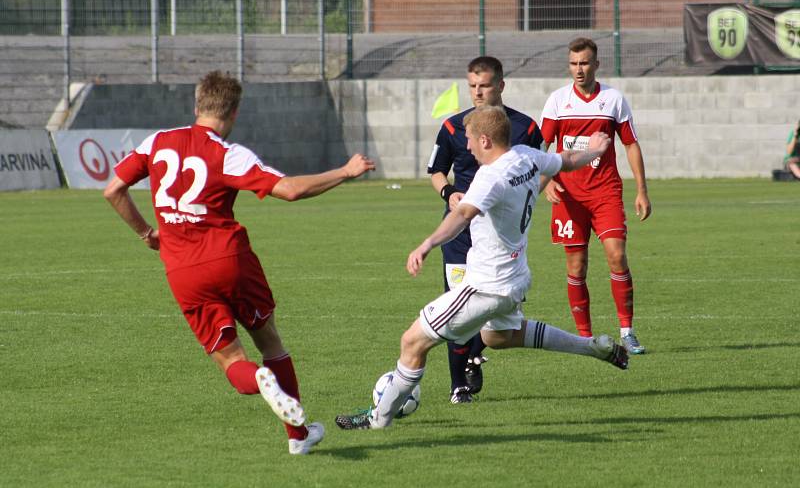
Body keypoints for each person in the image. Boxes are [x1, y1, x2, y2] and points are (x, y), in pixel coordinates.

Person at [103, 70, 374, 455]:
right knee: (270, 341)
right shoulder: (228, 153)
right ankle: (297, 437)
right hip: (231, 261)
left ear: (197, 105)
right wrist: (345, 171)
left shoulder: (157, 142)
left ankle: (260, 381)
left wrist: (148, 234)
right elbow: (291, 190)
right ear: (234, 111)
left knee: (233, 361)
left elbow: (113, 189)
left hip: (182, 271)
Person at [335, 106, 628, 431]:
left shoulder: (491, 176)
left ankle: (378, 420)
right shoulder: (527, 156)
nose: (469, 147)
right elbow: (566, 161)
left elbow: (461, 216)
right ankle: (591, 347)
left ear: (486, 140)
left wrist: (427, 244)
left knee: (412, 341)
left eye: (471, 140)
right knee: (498, 336)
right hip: (514, 280)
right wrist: (594, 151)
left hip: (484, 287)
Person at [428, 56, 543, 404]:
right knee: (458, 307)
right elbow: (435, 172)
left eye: (485, 85)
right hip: (461, 236)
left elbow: (540, 168)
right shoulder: (453, 128)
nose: (478, 92)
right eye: (473, 86)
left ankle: (475, 354)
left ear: (501, 86)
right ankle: (458, 386)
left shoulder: (525, 128)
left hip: (503, 239)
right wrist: (448, 193)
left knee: (496, 309)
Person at [539, 37, 651, 355]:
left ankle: (627, 331)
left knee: (617, 255)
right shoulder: (558, 101)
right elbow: (541, 147)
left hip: (605, 193)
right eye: (574, 63)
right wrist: (546, 182)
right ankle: (584, 338)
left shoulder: (613, 99)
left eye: (585, 63)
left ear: (596, 64)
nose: (579, 69)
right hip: (569, 197)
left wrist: (642, 190)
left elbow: (630, 144)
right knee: (577, 267)